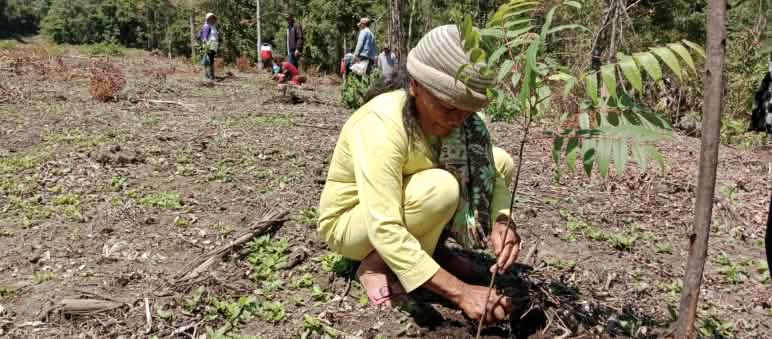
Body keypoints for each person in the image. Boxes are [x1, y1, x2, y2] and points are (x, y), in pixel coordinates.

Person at [317, 24, 520, 324]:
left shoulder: (463, 122)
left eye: (465, 110)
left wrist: (503, 220)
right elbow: (384, 227)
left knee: (498, 161)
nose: (458, 120)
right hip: (352, 222)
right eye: (447, 108)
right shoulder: (382, 125)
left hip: (404, 206)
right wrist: (462, 293)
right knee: (441, 189)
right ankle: (374, 265)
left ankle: (433, 251)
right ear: (415, 85)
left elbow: (495, 170)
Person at [199, 13, 219, 81]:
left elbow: (215, 36)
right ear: (207, 19)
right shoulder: (206, 26)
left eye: (213, 18)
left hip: (213, 45)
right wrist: (205, 45)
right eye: (210, 18)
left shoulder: (213, 26)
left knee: (211, 60)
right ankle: (210, 76)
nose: (212, 19)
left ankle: (210, 76)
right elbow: (205, 37)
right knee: (209, 60)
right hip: (209, 45)